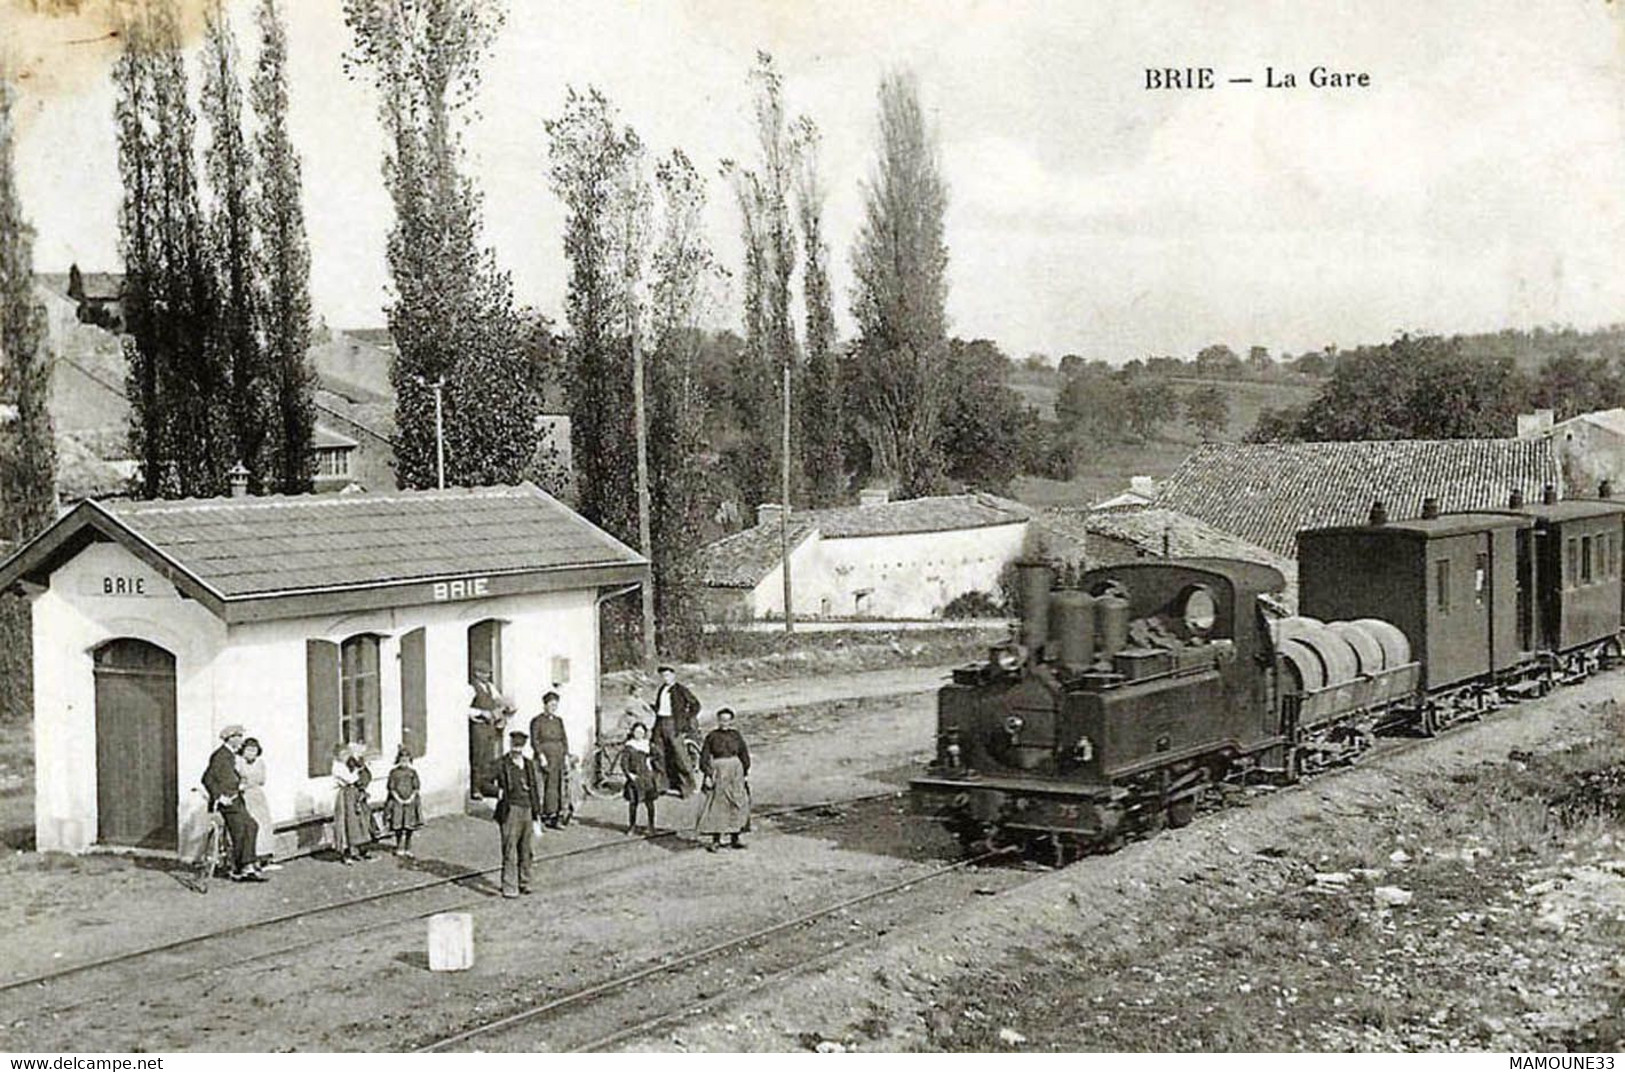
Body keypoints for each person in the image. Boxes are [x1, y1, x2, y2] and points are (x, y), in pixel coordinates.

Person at [202, 725, 265, 881]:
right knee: (241, 829)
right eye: (240, 737)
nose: (242, 740)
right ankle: (241, 867)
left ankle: (246, 865)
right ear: (232, 738)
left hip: (236, 798)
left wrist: (240, 784)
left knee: (251, 825)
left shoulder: (231, 755)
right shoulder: (220, 755)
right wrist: (219, 796)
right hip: (227, 802)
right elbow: (207, 779)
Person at [493, 730, 543, 898]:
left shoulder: (528, 764)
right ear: (510, 746)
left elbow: (534, 789)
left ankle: (525, 882)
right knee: (510, 849)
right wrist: (497, 792)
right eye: (515, 747)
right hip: (510, 810)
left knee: (527, 850)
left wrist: (537, 815)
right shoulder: (501, 764)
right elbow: (482, 782)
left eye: (520, 747)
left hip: (527, 809)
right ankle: (509, 886)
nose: (517, 750)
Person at [696, 708, 752, 852]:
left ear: (731, 721)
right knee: (718, 805)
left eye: (727, 720)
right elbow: (704, 758)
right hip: (719, 771)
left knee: (737, 802)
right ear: (718, 720)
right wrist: (708, 774)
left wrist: (744, 772)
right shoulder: (712, 736)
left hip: (736, 771)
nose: (724, 723)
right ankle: (716, 840)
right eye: (722, 720)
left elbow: (744, 754)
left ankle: (735, 837)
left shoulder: (736, 735)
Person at [468, 660, 516, 800]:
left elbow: (498, 699)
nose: (488, 676)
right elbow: (466, 709)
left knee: (489, 758)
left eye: (489, 673)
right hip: (479, 726)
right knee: (478, 757)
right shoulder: (471, 688)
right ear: (477, 673)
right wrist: (481, 713)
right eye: (485, 673)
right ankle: (476, 788)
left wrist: (505, 706)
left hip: (490, 727)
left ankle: (486, 787)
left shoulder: (490, 687)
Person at [650, 664, 700, 798]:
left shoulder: (681, 689)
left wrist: (685, 719)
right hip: (660, 722)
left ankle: (688, 788)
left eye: (667, 675)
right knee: (659, 754)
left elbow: (695, 705)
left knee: (680, 755)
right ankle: (662, 786)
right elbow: (660, 707)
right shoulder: (662, 689)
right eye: (663, 675)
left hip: (673, 724)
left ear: (673, 675)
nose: (665, 678)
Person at [235, 737, 278, 869]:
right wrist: (243, 784)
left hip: (257, 796)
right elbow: (238, 779)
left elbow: (262, 780)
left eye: (254, 750)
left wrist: (250, 782)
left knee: (263, 824)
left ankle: (264, 856)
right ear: (243, 750)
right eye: (248, 750)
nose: (251, 753)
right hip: (245, 796)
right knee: (251, 825)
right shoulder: (239, 762)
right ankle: (251, 857)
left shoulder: (260, 763)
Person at [529, 691, 569, 828]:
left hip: (558, 756)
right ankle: (543, 816)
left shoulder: (559, 721)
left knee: (558, 786)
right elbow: (534, 740)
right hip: (545, 757)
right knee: (545, 787)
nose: (553, 707)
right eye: (551, 704)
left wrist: (566, 756)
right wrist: (540, 756)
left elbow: (564, 739)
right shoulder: (537, 721)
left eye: (555, 705)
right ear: (545, 705)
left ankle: (557, 816)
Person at [330, 743, 372, 863]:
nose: (346, 756)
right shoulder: (337, 767)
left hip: (353, 794)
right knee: (346, 824)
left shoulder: (347, 764)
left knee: (359, 822)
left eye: (347, 753)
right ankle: (346, 854)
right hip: (345, 796)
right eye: (343, 754)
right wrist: (359, 769)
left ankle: (359, 850)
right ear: (337, 755)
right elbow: (352, 779)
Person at [618, 721, 659, 835]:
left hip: (647, 777)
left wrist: (651, 762)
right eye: (637, 732)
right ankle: (632, 826)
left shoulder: (648, 745)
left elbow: (658, 756)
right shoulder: (629, 746)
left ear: (644, 733)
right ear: (633, 732)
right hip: (635, 778)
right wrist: (629, 774)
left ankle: (651, 826)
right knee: (633, 803)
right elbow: (623, 763)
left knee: (649, 803)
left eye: (641, 732)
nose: (639, 734)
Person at [384, 746, 423, 857]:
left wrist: (411, 798)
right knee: (398, 826)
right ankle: (399, 846)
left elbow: (416, 787)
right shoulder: (394, 772)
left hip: (410, 802)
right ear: (398, 760)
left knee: (409, 826)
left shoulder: (412, 772)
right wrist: (398, 799)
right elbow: (391, 788)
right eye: (402, 760)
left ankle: (408, 847)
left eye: (406, 760)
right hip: (398, 803)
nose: (404, 762)